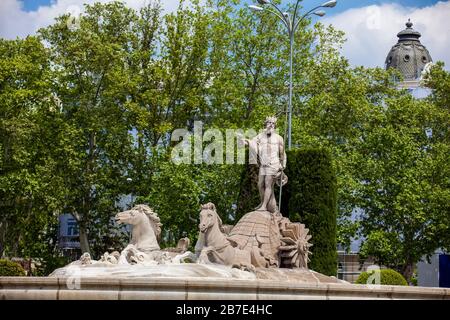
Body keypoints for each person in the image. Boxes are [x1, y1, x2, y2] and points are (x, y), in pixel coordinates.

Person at [242, 116, 287, 213]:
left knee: (268, 184)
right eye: (269, 123)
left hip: (273, 164)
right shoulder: (260, 136)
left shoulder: (279, 138)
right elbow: (251, 142)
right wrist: (244, 141)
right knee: (260, 184)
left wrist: (282, 165)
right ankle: (264, 202)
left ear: (275, 126)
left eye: (273, 123)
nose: (271, 125)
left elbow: (282, 153)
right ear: (265, 124)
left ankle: (264, 205)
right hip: (264, 164)